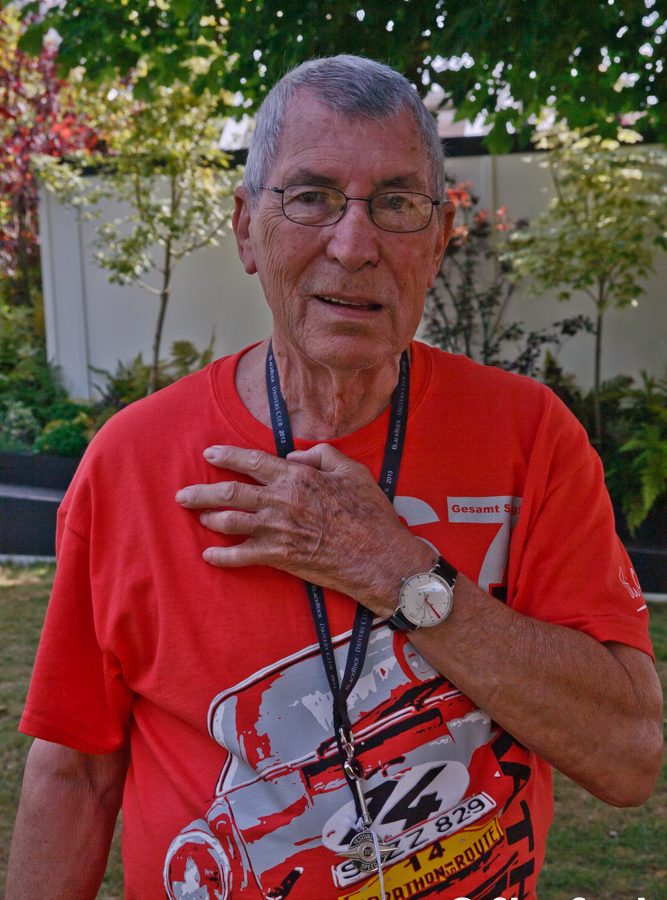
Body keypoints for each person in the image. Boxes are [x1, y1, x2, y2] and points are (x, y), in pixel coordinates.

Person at [7, 55, 662, 900]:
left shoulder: (529, 439)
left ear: (437, 237)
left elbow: (627, 757)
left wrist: (398, 572)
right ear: (246, 229)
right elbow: (74, 776)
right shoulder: (134, 461)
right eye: (311, 196)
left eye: (394, 204)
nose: (353, 247)